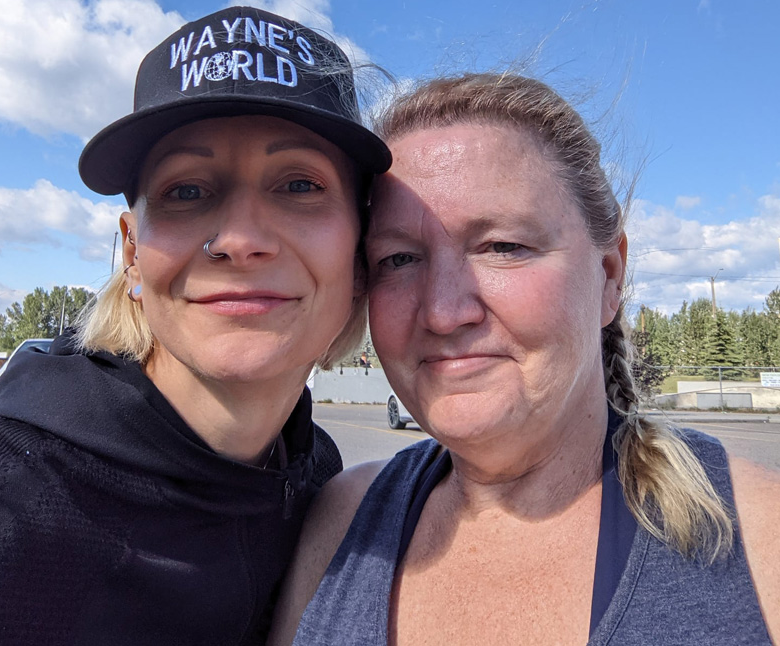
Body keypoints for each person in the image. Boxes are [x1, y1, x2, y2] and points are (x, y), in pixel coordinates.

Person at [270, 73, 779, 645]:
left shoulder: (761, 544)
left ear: (609, 276)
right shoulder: (342, 523)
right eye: (399, 259)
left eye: (503, 247)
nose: (443, 312)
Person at [0, 6, 390, 645]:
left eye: (300, 185)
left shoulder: (323, 485)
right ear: (132, 254)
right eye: (187, 191)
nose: (240, 239)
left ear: (360, 254)